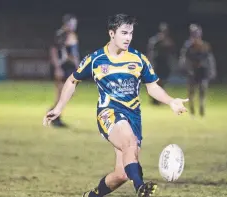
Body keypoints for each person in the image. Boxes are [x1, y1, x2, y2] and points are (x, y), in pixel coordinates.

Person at [43, 14, 188, 197]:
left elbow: (152, 87)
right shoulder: (96, 59)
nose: (128, 37)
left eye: (131, 33)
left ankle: (91, 196)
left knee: (122, 174)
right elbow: (72, 80)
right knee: (130, 142)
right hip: (109, 113)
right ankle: (140, 188)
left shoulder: (138, 59)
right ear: (112, 33)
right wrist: (58, 108)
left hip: (133, 116)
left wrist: (170, 101)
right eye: (124, 33)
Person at [49, 14, 80, 127]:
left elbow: (72, 54)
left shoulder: (71, 35)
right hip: (62, 68)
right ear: (66, 23)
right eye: (72, 23)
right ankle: (55, 117)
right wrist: (57, 68)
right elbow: (53, 51)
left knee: (68, 94)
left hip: (70, 68)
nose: (74, 26)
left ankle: (53, 113)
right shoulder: (61, 34)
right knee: (62, 94)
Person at [179, 24, 216, 117]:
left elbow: (209, 59)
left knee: (202, 90)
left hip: (202, 71)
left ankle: (201, 108)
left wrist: (211, 70)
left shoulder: (205, 45)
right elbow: (184, 59)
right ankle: (192, 110)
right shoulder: (188, 46)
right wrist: (187, 68)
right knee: (191, 92)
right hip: (192, 72)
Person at [147, 22, 175, 105]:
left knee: (162, 82)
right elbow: (151, 51)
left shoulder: (168, 41)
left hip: (164, 64)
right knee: (156, 82)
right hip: (157, 63)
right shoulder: (156, 40)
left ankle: (159, 100)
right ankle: (155, 100)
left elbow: (172, 51)